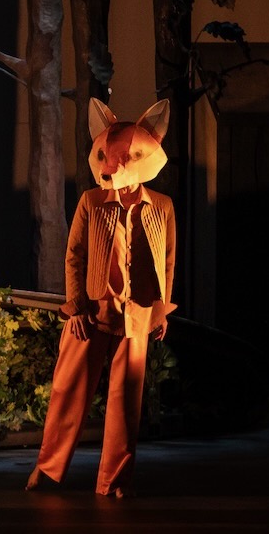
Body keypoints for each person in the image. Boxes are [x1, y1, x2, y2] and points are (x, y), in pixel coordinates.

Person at [26, 99, 176, 498]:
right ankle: (48, 468)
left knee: (126, 403)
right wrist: (75, 307)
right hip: (93, 312)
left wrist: (161, 311)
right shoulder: (92, 202)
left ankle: (114, 480)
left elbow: (167, 259)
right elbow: (74, 255)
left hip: (136, 313)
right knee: (69, 391)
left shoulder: (161, 206)